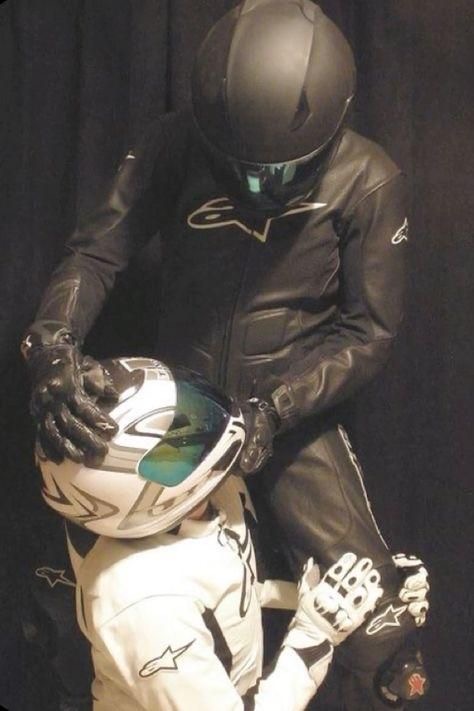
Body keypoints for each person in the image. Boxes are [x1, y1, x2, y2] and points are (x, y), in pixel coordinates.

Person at [22, 1, 430, 708]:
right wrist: (51, 344)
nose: (257, 188)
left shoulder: (369, 180)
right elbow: (95, 253)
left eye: (281, 172)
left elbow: (369, 332)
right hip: (181, 404)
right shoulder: (174, 143)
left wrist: (276, 408)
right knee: (83, 580)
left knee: (381, 629)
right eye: (239, 168)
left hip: (289, 405)